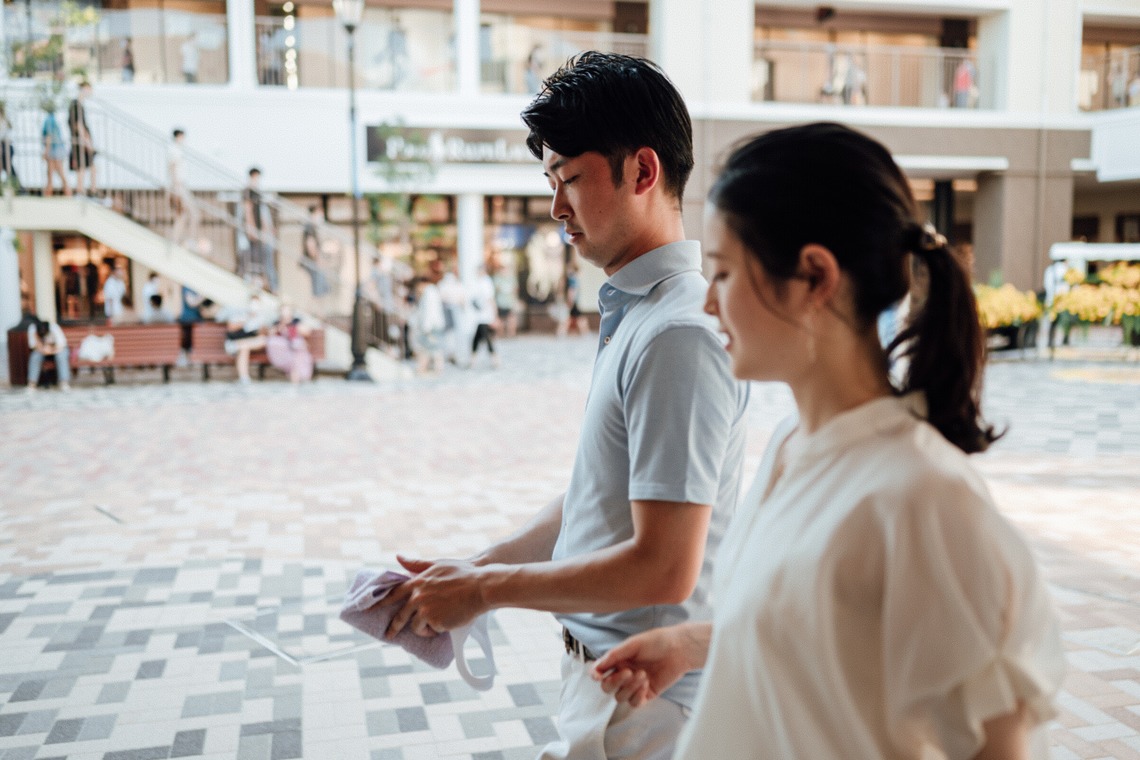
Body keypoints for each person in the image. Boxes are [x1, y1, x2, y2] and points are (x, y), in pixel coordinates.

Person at [590, 123, 1066, 760]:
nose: (708, 304)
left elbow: (996, 745)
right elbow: (833, 630)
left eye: (724, 273)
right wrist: (698, 642)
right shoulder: (793, 446)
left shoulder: (924, 498)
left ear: (814, 277)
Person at [379, 52, 749, 760]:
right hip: (613, 688)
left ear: (643, 171)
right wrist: (471, 570)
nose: (556, 208)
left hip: (647, 705)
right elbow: (597, 499)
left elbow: (665, 565)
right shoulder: (643, 314)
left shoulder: (677, 333)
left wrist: (484, 590)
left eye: (570, 179)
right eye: (550, 183)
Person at [242, 168, 277, 291]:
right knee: (259, 259)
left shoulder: (257, 192)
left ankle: (269, 285)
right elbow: (248, 210)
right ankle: (270, 286)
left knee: (263, 259)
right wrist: (251, 229)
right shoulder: (248, 191)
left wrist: (268, 228)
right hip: (254, 232)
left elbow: (262, 213)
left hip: (260, 232)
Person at [224, 292, 270, 384]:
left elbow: (263, 335)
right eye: (253, 303)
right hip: (234, 343)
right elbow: (231, 328)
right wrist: (247, 319)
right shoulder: (240, 314)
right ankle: (244, 378)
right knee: (244, 347)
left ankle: (244, 378)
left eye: (257, 303)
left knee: (256, 342)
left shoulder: (262, 317)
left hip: (249, 343)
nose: (254, 306)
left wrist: (260, 327)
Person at [265, 304, 314, 383]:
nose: (285, 313)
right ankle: (295, 381)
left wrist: (293, 328)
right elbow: (270, 335)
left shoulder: (296, 322)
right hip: (282, 353)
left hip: (297, 351)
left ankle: (297, 381)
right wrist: (279, 328)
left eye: (287, 310)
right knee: (295, 360)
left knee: (298, 357)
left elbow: (306, 331)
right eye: (283, 311)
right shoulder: (277, 323)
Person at [168, 129, 199, 248]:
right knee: (192, 214)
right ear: (178, 137)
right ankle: (188, 240)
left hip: (180, 185)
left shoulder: (176, 150)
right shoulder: (174, 150)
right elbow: (172, 167)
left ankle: (176, 241)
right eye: (182, 137)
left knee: (182, 215)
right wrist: (176, 187)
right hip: (179, 186)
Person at [411, 274, 446, 375]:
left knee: (431, 347)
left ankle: (428, 368)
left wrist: (426, 327)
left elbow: (429, 312)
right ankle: (427, 368)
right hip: (434, 325)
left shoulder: (429, 293)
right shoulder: (432, 291)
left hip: (431, 326)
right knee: (431, 347)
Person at [26, 318, 71, 392]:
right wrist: (37, 339)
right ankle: (32, 383)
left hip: (57, 349)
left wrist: (51, 350)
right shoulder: (32, 329)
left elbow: (62, 345)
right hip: (41, 350)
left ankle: (64, 382)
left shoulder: (54, 328)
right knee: (35, 356)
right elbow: (33, 346)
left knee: (61, 356)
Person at [68, 81, 97, 196]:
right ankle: (81, 191)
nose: (90, 92)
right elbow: (78, 125)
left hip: (81, 141)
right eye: (88, 89)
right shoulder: (76, 104)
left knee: (88, 167)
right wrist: (86, 142)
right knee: (82, 167)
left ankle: (88, 190)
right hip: (80, 142)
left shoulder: (79, 104)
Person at [468, 263, 498, 368]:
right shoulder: (480, 282)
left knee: (485, 337)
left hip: (485, 316)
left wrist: (494, 315)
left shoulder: (486, 282)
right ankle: (474, 360)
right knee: (478, 338)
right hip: (480, 316)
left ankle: (494, 359)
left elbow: (490, 299)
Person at [41, 100, 70, 197]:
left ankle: (52, 193)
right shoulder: (53, 119)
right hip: (57, 149)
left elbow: (49, 137)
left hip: (54, 150)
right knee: (54, 172)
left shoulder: (48, 120)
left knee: (53, 172)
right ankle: (53, 192)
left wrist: (46, 152)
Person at [300, 205, 331, 298]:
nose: (321, 216)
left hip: (313, 260)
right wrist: (317, 260)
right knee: (318, 291)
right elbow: (310, 244)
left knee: (318, 289)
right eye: (319, 213)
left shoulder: (311, 226)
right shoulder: (310, 226)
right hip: (313, 261)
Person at [557, 254, 589, 337]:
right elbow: (572, 290)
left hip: (572, 301)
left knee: (572, 317)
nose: (568, 270)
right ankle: (584, 333)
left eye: (569, 268)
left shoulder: (572, 278)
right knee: (576, 317)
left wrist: (570, 300)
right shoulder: (574, 278)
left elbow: (571, 290)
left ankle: (561, 333)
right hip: (574, 301)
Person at [178, 285, 205, 367]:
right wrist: (203, 296)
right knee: (188, 342)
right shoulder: (187, 287)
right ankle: (188, 359)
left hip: (196, 321)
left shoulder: (196, 287)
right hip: (188, 321)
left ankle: (190, 359)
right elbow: (191, 303)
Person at [0, 103, 20, 192]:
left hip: (6, 147)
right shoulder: (5, 121)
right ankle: (16, 187)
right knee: (8, 168)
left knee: (8, 168)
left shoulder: (3, 121)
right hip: (5, 146)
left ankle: (15, 187)